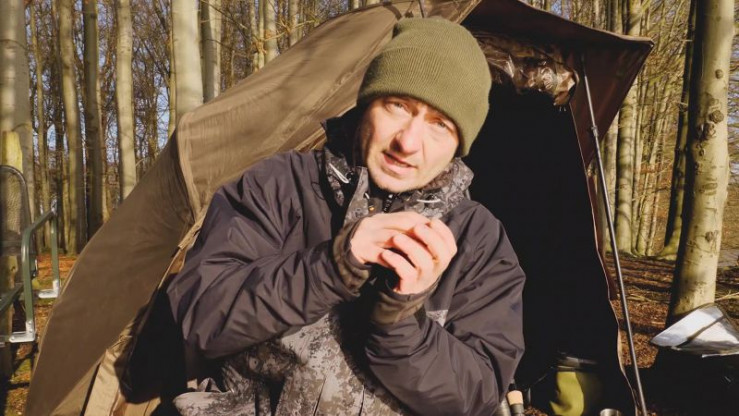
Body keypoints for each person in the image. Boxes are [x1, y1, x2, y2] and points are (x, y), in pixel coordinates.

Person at [167, 17, 525, 416]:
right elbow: (200, 319)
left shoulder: (477, 238)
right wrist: (331, 267)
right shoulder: (280, 185)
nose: (408, 142)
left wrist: (399, 320)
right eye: (398, 106)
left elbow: (476, 397)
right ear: (368, 103)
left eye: (439, 125)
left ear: (459, 144)